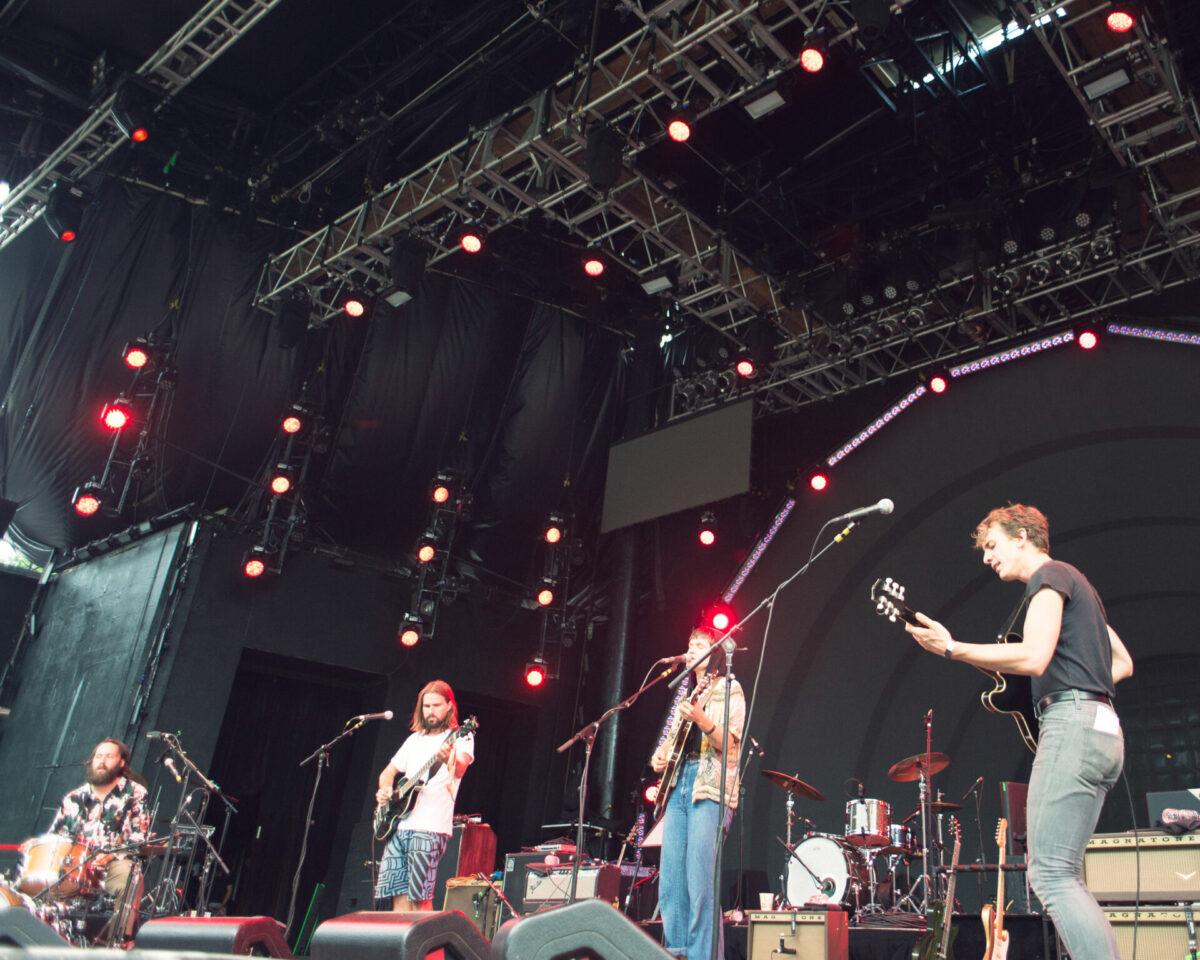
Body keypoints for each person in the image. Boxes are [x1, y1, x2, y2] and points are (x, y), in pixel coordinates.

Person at [905, 504, 1133, 960]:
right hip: (1104, 730)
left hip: (1072, 726)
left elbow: (1033, 658)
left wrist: (951, 648)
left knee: (1049, 873)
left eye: (992, 546)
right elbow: (1122, 664)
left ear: (1024, 536)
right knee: (1064, 872)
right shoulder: (1081, 588)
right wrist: (1086, 685)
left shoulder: (1048, 579)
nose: (987, 558)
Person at [651, 627, 745, 960]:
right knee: (671, 886)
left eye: (699, 645)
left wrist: (703, 719)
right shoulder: (687, 696)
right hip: (678, 788)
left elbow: (731, 744)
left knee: (699, 885)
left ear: (715, 652)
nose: (690, 649)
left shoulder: (730, 690)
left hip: (710, 789)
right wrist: (660, 758)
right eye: (689, 644)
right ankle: (677, 953)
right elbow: (672, 745)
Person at [373, 679, 473, 911]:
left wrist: (447, 757)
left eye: (436, 705)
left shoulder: (461, 736)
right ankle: (400, 947)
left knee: (420, 898)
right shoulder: (414, 739)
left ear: (449, 706)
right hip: (399, 826)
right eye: (426, 706)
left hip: (429, 828)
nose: (431, 711)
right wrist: (385, 790)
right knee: (397, 898)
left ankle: (425, 948)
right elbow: (388, 773)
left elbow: (460, 769)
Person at [47, 738, 150, 939]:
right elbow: (55, 837)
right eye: (98, 756)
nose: (102, 761)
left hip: (111, 866)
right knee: (40, 877)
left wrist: (111, 856)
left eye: (109, 756)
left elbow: (140, 836)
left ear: (122, 762)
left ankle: (120, 941)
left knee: (133, 877)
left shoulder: (136, 793)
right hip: (74, 864)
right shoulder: (73, 798)